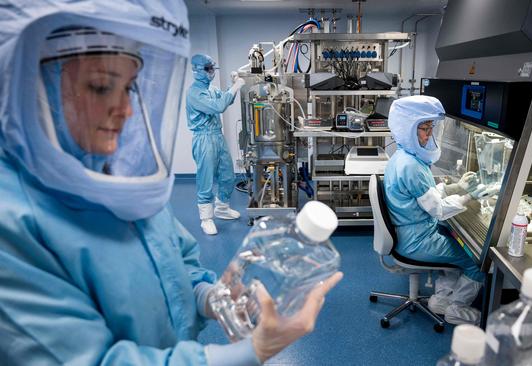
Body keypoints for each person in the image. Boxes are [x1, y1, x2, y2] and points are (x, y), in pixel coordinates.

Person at [0, 2, 342, 365]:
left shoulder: (122, 182)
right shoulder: (13, 226)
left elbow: (179, 265)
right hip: (204, 138)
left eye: (130, 88)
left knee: (222, 175)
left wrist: (212, 297)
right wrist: (250, 353)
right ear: (28, 86)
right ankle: (209, 211)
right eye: (101, 86)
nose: (127, 110)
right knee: (207, 178)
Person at [383, 95, 496, 325]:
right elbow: (439, 211)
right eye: (423, 129)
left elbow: (427, 195)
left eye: (430, 128)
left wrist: (457, 186)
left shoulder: (402, 156)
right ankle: (457, 309)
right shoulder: (412, 166)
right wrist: (469, 196)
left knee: (454, 249)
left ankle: (440, 301)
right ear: (407, 129)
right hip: (417, 241)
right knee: (476, 262)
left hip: (411, 233)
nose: (429, 135)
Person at [187, 54, 246, 235]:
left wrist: (232, 84)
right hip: (203, 138)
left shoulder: (211, 89)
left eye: (213, 68)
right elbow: (218, 107)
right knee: (206, 178)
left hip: (217, 137)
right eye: (208, 69)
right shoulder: (194, 93)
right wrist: (236, 86)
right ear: (197, 70)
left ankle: (222, 208)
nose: (211, 72)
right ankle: (206, 219)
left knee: (227, 174)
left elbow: (226, 99)